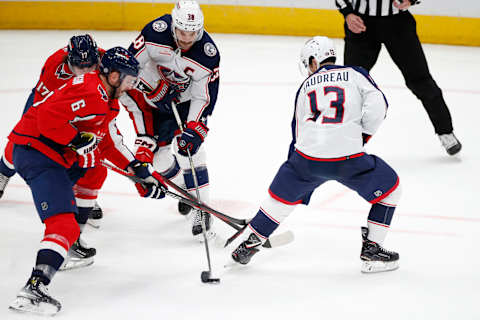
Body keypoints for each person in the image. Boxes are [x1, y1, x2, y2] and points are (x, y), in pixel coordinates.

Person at [8, 47, 167, 316]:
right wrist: (74, 139)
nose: (131, 86)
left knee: (94, 168)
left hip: (48, 152)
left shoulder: (104, 97)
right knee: (63, 223)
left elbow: (106, 143)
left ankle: (67, 247)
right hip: (37, 154)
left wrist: (139, 171)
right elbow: (47, 118)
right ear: (114, 76)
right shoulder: (90, 92)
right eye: (129, 79)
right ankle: (33, 289)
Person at [229, 36, 402, 274]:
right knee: (391, 190)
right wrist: (361, 137)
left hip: (307, 159)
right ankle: (372, 250)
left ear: (313, 61)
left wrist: (296, 178)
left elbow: (297, 133)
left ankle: (249, 243)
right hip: (348, 158)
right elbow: (379, 105)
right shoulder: (355, 73)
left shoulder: (305, 86)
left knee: (278, 203)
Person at [122, 0, 220, 240]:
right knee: (158, 158)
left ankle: (202, 208)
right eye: (182, 32)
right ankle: (188, 191)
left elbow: (203, 96)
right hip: (154, 102)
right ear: (173, 26)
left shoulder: (208, 54)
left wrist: (195, 127)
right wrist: (151, 88)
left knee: (190, 149)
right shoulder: (154, 32)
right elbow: (127, 68)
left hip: (186, 103)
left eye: (192, 33)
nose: (187, 38)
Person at [0, 35, 107, 230]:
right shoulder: (54, 68)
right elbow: (43, 113)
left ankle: (80, 193)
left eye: (89, 66)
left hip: (83, 103)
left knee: (85, 148)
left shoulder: (105, 61)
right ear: (69, 59)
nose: (85, 71)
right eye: (79, 67)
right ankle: (3, 172)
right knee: (24, 139)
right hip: (50, 103)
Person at [335, 0, 462, 155]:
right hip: (361, 23)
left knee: (420, 79)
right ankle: (340, 138)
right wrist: (347, 13)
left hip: (398, 23)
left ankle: (445, 132)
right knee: (350, 84)